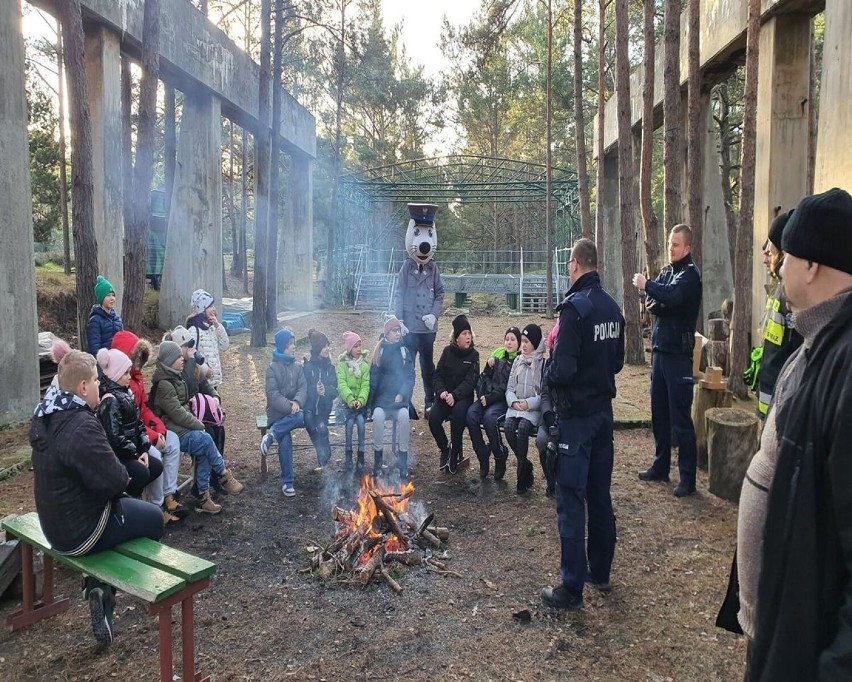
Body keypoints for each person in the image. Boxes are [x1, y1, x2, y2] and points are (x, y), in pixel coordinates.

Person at [718, 187, 852, 680]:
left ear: (812, 265)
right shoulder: (817, 343)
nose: (777, 265)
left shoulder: (846, 363)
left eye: (786, 254)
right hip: (781, 630)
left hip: (807, 650)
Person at [31, 349, 164, 643]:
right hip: (84, 530)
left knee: (130, 510)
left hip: (55, 529)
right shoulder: (81, 424)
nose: (100, 387)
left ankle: (98, 587)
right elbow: (116, 481)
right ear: (82, 387)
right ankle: (108, 585)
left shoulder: (46, 417)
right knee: (154, 519)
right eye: (95, 381)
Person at [541, 238, 624, 610]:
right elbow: (618, 362)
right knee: (599, 494)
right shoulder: (613, 308)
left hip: (575, 419)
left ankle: (571, 587)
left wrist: (549, 368)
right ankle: (601, 571)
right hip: (603, 415)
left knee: (571, 500)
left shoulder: (574, 311)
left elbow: (563, 369)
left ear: (575, 264)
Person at [632, 224, 702, 497]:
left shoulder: (689, 275)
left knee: (680, 418)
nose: (671, 248)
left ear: (687, 247)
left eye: (676, 244)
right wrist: (655, 292)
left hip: (678, 357)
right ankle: (661, 467)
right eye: (670, 243)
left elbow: (670, 297)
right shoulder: (667, 272)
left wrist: (647, 285)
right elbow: (654, 304)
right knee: (659, 413)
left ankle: (688, 478)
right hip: (660, 352)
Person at [151, 341, 244, 512]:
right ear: (170, 360)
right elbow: (177, 413)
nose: (182, 359)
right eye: (178, 356)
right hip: (170, 430)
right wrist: (199, 425)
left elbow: (203, 383)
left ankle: (203, 496)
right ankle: (223, 475)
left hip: (180, 426)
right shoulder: (165, 384)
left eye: (182, 355)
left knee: (204, 447)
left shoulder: (175, 376)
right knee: (205, 439)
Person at [111, 330, 187, 523]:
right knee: (154, 454)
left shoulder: (136, 379)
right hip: (135, 439)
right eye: (135, 358)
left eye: (140, 358)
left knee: (173, 440)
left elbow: (143, 410)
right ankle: (155, 506)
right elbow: (131, 421)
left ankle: (169, 494)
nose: (138, 363)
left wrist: (159, 429)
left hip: (145, 431)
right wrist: (152, 436)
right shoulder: (119, 386)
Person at [394, 203, 445, 414]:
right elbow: (398, 293)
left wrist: (434, 315)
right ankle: (405, 400)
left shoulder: (434, 269)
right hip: (409, 328)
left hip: (427, 330)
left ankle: (429, 400)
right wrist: (399, 322)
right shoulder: (406, 267)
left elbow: (440, 293)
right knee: (407, 367)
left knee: (427, 367)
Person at [95, 348, 164, 500]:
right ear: (116, 374)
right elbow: (115, 438)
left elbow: (139, 425)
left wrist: (144, 449)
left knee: (156, 466)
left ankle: (136, 499)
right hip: (119, 456)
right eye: (126, 373)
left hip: (131, 451)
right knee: (142, 472)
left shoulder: (126, 393)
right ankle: (124, 501)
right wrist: (135, 454)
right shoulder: (110, 400)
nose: (129, 377)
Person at [754, 211, 803, 418]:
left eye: (770, 248)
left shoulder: (792, 296)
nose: (765, 253)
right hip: (769, 402)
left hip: (781, 409)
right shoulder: (779, 290)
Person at [466, 327, 520, 481]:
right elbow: (484, 379)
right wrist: (482, 394)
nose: (509, 343)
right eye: (507, 339)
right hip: (487, 397)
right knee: (471, 415)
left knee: (490, 419)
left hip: (503, 400)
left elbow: (508, 387)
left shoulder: (518, 360)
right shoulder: (497, 354)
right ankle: (482, 454)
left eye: (513, 339)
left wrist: (489, 399)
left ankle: (499, 455)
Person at [430, 314, 480, 474]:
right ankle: (445, 448)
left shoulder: (474, 355)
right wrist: (442, 391)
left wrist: (455, 395)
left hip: (462, 398)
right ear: (456, 338)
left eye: (469, 333)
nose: (468, 337)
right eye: (464, 334)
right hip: (445, 396)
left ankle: (455, 452)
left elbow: (471, 380)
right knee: (433, 419)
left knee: (459, 415)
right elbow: (437, 375)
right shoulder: (447, 352)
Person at [261, 329, 307, 496]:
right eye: (290, 345)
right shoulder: (272, 368)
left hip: (296, 412)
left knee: (302, 415)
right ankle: (287, 483)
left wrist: (296, 402)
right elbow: (273, 395)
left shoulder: (298, 367)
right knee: (285, 439)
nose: (293, 347)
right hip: (278, 413)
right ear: (282, 347)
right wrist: (290, 406)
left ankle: (271, 435)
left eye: (293, 344)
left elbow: (303, 388)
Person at [369, 316, 416, 480]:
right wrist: (371, 404)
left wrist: (402, 393)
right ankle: (378, 462)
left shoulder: (404, 351)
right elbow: (373, 379)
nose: (398, 334)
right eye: (394, 331)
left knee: (404, 416)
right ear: (387, 333)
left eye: (398, 331)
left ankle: (403, 462)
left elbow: (410, 376)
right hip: (382, 400)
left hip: (399, 400)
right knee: (378, 417)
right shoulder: (379, 351)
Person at [504, 324, 546, 494]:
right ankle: (525, 463)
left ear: (535, 343)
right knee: (508, 427)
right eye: (523, 341)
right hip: (515, 407)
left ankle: (521, 472)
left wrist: (528, 404)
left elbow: (543, 393)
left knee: (522, 428)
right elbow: (509, 388)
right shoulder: (518, 361)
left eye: (527, 341)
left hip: (532, 409)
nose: (524, 345)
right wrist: (513, 402)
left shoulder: (542, 364)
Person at [301, 329, 338, 469]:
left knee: (322, 428)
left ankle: (325, 452)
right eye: (324, 346)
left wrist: (325, 391)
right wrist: (314, 390)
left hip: (323, 408)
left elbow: (335, 390)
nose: (327, 349)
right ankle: (320, 450)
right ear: (317, 348)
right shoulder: (308, 367)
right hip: (309, 407)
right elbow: (303, 388)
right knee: (310, 424)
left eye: (328, 345)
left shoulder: (330, 368)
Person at [336, 331, 370, 473]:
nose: (359, 349)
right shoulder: (343, 365)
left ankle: (361, 456)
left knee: (361, 423)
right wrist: (350, 399)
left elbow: (365, 385)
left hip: (361, 404)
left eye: (360, 345)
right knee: (349, 423)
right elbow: (342, 385)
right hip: (346, 404)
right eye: (355, 346)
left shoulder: (364, 366)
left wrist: (360, 400)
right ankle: (348, 456)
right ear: (350, 349)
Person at [187, 289, 229, 388]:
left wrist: (218, 326)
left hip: (214, 382)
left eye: (213, 305)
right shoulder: (193, 330)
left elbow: (225, 346)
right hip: (201, 382)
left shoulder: (213, 328)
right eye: (210, 306)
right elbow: (190, 354)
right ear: (202, 309)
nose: (214, 309)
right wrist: (205, 369)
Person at [87, 275, 124, 356]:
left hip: (118, 360)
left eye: (113, 295)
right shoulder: (95, 320)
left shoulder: (117, 318)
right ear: (101, 298)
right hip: (103, 364)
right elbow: (94, 348)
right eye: (108, 295)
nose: (112, 298)